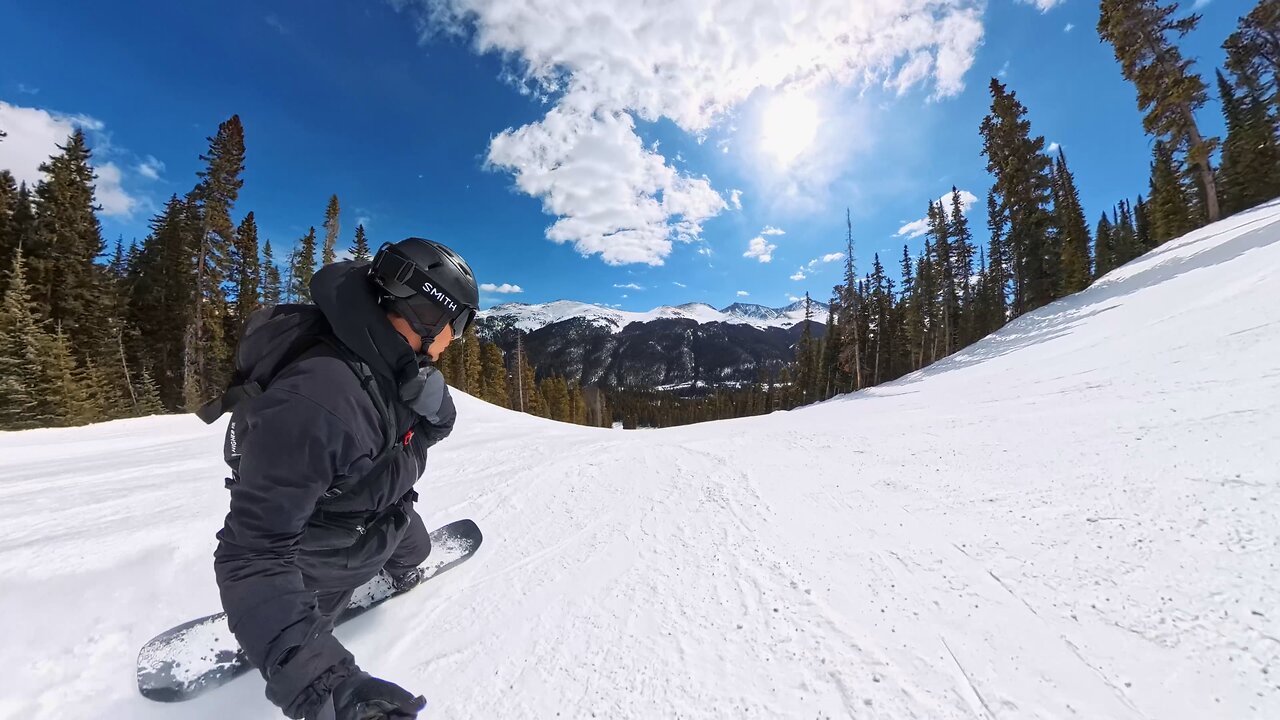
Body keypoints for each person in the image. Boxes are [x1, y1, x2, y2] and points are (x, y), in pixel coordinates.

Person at [212, 238, 479, 720]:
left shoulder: (389, 358)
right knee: (326, 605)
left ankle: (403, 569)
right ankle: (295, 628)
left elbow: (420, 433)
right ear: (425, 314)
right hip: (329, 546)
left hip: (386, 512)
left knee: (415, 551)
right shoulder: (317, 405)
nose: (457, 338)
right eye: (457, 323)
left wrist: (436, 406)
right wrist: (327, 688)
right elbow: (252, 554)